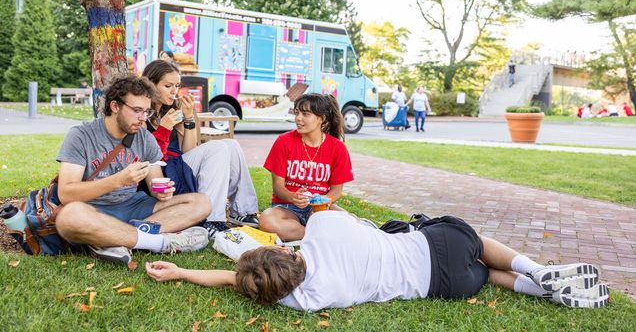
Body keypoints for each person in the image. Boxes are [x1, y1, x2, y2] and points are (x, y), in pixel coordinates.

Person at [146, 211, 610, 310]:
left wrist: (184, 271)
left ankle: (531, 287)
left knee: (484, 273)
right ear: (283, 249)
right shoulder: (324, 228)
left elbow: (234, 278)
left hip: (446, 286)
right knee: (479, 241)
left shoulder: (305, 300)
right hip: (438, 247)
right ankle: (537, 271)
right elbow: (360, 223)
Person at [54, 75, 211, 265]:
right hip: (95, 209)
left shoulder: (144, 138)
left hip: (134, 208)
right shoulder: (81, 136)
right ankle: (159, 242)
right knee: (69, 217)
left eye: (147, 112)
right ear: (115, 106)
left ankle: (112, 239)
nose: (143, 118)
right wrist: (118, 180)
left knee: (201, 203)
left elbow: (155, 186)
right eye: (137, 111)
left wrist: (163, 192)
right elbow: (66, 193)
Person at [142, 60, 259, 239]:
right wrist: (164, 128)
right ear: (151, 84)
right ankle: (211, 220)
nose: (174, 92)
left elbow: (189, 149)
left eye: (177, 86)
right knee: (217, 148)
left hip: (179, 165)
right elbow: (149, 155)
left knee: (231, 145)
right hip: (161, 173)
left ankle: (243, 211)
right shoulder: (142, 114)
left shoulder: (171, 111)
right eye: (168, 86)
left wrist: (189, 118)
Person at [257, 93, 354, 242]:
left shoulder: (338, 148)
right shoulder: (283, 142)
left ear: (321, 118)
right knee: (266, 220)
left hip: (320, 208)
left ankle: (314, 232)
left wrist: (321, 202)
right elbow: (278, 187)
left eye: (305, 114)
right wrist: (293, 197)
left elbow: (336, 190)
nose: (298, 118)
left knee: (349, 222)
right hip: (287, 208)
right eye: (297, 113)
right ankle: (320, 235)